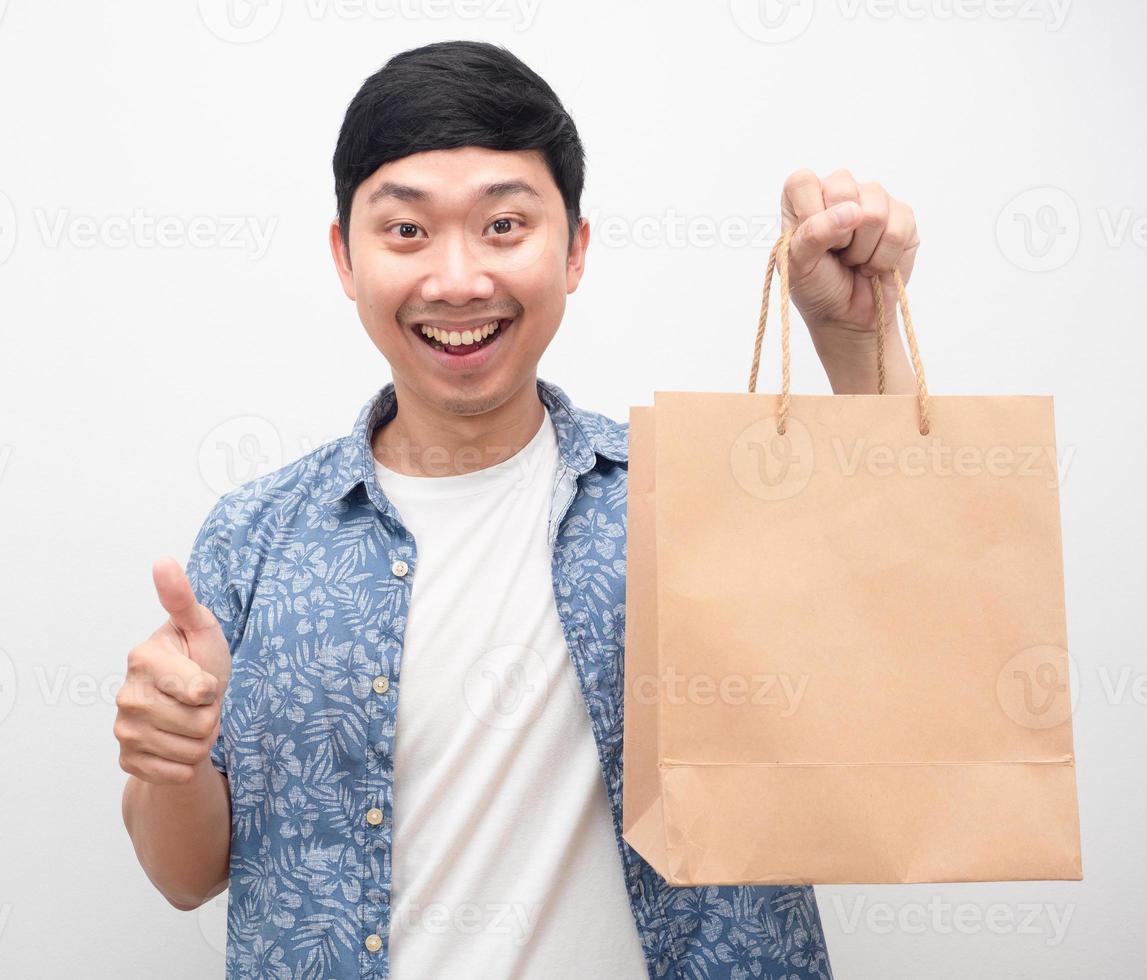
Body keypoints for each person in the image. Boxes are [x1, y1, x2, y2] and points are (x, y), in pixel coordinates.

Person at [114, 39, 921, 980]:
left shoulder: (688, 497)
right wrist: (170, 762)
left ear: (573, 248)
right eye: (405, 231)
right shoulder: (255, 537)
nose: (457, 280)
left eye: (504, 225)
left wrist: (857, 340)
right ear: (345, 256)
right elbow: (184, 877)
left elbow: (901, 633)